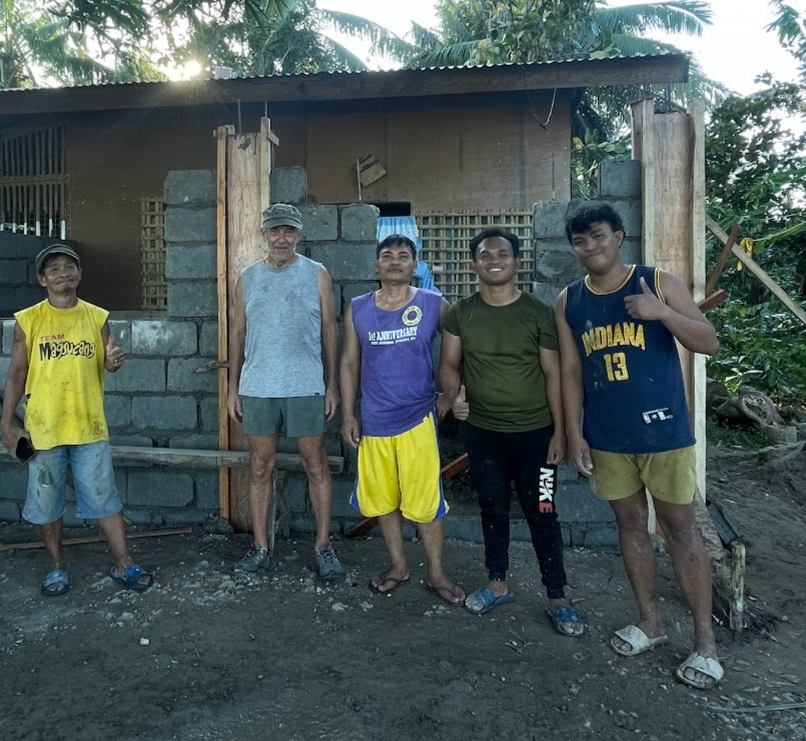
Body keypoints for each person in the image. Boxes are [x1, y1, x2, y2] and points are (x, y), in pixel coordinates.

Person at [554, 202, 723, 690]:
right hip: (608, 437)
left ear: (619, 237)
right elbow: (570, 370)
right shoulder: (568, 300)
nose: (590, 247)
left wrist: (661, 312)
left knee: (680, 531)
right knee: (630, 525)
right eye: (580, 241)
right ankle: (650, 622)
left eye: (598, 236)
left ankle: (705, 643)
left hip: (663, 433)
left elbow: (708, 342)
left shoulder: (656, 282)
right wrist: (575, 432)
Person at [439, 227, 585, 637]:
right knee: (492, 508)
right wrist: (454, 394)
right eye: (485, 255)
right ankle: (497, 583)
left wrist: (560, 432)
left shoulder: (539, 312)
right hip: (483, 433)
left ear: (516, 262)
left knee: (543, 511)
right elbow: (448, 365)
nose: (494, 260)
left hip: (536, 434)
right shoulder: (460, 313)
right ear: (473, 264)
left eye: (502, 253)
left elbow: (554, 373)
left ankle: (557, 597)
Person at [0, 244, 154, 597]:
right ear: (42, 279)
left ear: (80, 274)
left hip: (89, 427)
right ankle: (58, 567)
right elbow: (17, 373)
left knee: (105, 498)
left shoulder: (97, 317)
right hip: (44, 429)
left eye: (69, 267)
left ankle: (124, 563)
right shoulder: (29, 320)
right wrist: (7, 423)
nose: (63, 273)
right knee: (47, 504)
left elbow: (109, 363)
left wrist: (113, 362)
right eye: (53, 269)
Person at [339, 234, 464, 604]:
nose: (395, 261)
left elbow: (460, 351)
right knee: (383, 499)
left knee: (426, 501)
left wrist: (451, 395)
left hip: (418, 418)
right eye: (387, 255)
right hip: (374, 420)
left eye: (404, 256)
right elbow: (349, 362)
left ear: (415, 265)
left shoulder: (434, 303)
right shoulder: (358, 308)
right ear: (376, 265)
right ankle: (398, 566)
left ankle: (436, 573)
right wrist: (348, 413)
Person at [226, 203, 344, 580]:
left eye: (289, 231)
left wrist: (331, 385)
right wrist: (233, 387)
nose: (282, 239)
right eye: (275, 231)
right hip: (259, 386)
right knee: (260, 466)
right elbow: (237, 334)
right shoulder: (247, 278)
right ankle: (260, 547)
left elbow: (329, 329)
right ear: (263, 234)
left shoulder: (316, 274)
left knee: (316, 464)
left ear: (299, 235)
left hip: (305, 385)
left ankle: (323, 546)